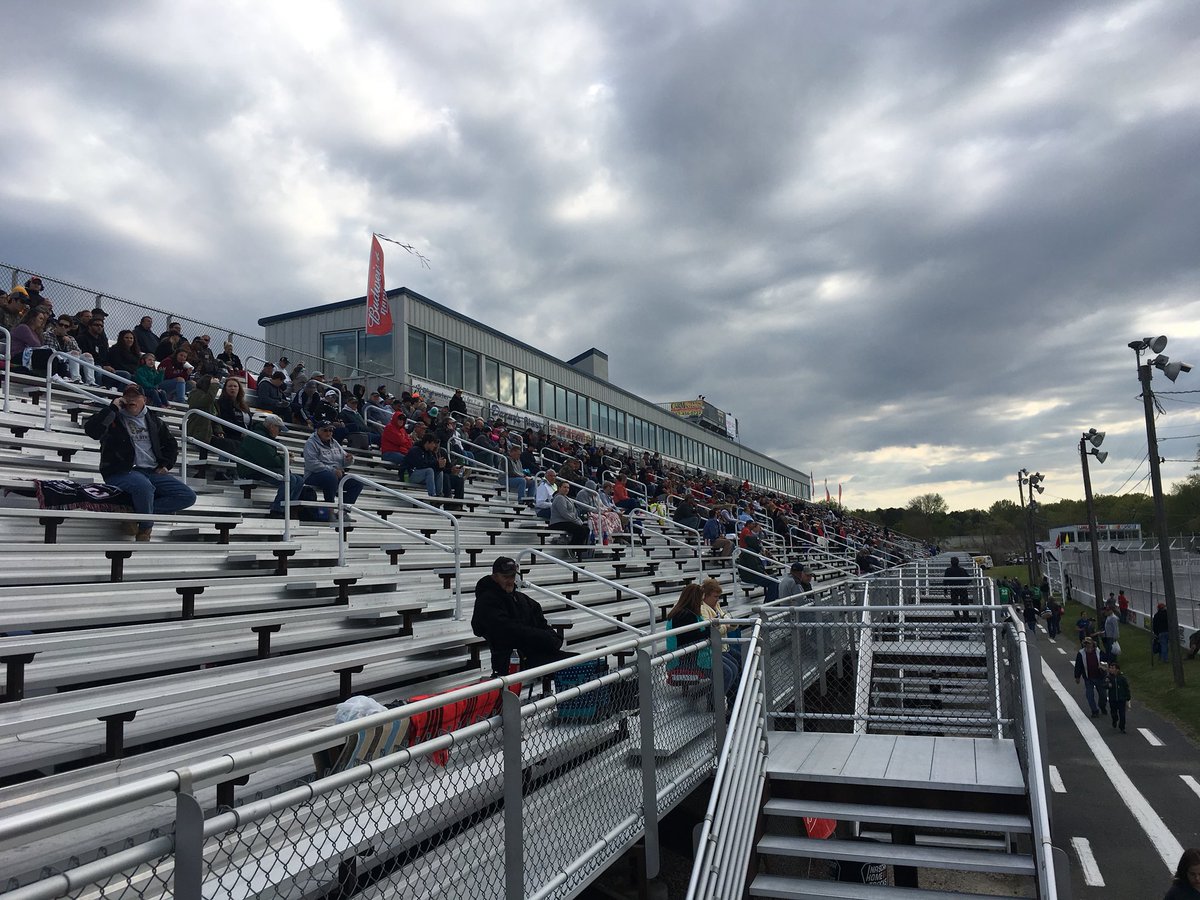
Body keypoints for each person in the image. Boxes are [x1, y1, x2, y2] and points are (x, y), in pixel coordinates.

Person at [83, 384, 197, 540]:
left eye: (135, 396)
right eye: (127, 396)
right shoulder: (114, 417)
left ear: (144, 400)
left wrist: (166, 464)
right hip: (121, 471)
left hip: (151, 471)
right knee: (144, 487)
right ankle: (145, 529)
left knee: (187, 496)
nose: (131, 399)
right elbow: (92, 431)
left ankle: (133, 514)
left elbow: (171, 444)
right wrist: (113, 409)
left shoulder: (154, 420)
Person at [471, 556, 573, 677]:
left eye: (512, 576)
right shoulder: (487, 601)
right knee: (578, 664)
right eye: (505, 577)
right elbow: (509, 631)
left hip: (534, 655)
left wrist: (552, 639)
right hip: (512, 660)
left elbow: (540, 625)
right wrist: (546, 638)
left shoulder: (523, 600)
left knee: (584, 662)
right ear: (495, 576)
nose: (510, 581)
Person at [667, 581, 738, 700]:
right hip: (689, 659)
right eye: (700, 598)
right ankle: (714, 703)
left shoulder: (687, 612)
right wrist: (711, 629)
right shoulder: (683, 615)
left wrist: (710, 629)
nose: (701, 602)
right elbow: (692, 636)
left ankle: (724, 701)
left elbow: (697, 634)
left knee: (733, 667)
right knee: (727, 672)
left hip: (699, 654)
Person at [237, 414, 304, 518]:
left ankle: (287, 507)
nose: (279, 432)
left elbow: (268, 457)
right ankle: (277, 509)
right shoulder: (258, 437)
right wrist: (286, 459)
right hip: (251, 469)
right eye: (279, 429)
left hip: (259, 466)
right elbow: (268, 460)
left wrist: (283, 457)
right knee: (289, 479)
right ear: (272, 426)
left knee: (299, 480)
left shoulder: (263, 436)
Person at [302, 420, 363, 512]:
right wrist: (332, 470)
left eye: (330, 430)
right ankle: (329, 508)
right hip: (313, 475)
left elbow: (343, 460)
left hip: (335, 474)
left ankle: (343, 511)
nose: (328, 433)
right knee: (331, 477)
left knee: (357, 482)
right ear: (317, 430)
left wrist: (350, 459)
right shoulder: (310, 443)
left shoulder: (334, 443)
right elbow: (312, 464)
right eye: (325, 430)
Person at [549, 479, 589, 556]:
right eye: (564, 487)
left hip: (567, 521)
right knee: (580, 529)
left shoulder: (567, 498)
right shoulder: (559, 498)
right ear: (559, 488)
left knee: (586, 529)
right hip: (558, 522)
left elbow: (574, 513)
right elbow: (564, 513)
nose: (566, 489)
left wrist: (578, 520)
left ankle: (578, 549)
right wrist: (576, 521)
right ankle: (573, 547)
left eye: (568, 488)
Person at [401, 432, 446, 497]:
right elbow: (420, 465)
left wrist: (440, 466)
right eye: (433, 443)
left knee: (440, 472)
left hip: (420, 475)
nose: (434, 446)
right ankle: (432, 495)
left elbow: (432, 464)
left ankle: (439, 495)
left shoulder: (429, 452)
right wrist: (436, 463)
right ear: (427, 443)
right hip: (408, 475)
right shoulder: (415, 450)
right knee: (429, 471)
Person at [1073, 637, 1109, 718]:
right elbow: (1078, 665)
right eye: (1085, 643)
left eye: (1089, 643)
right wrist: (1077, 676)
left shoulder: (1099, 651)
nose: (1087, 645)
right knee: (1089, 695)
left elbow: (1106, 661)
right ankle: (1094, 710)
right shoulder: (1081, 653)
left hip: (1100, 677)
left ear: (1093, 643)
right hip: (1088, 678)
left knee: (1103, 695)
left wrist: (1104, 668)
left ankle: (1102, 706)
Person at [1106, 661, 1131, 734]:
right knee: (1113, 712)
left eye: (1113, 668)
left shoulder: (1122, 678)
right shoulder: (1109, 678)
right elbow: (1104, 684)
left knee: (1122, 714)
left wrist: (1128, 697)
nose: (1111, 669)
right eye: (1110, 668)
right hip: (1113, 699)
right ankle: (1115, 719)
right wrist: (1108, 685)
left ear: (1117, 669)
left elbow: (1126, 688)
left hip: (1121, 699)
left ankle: (1122, 727)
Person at [942, 556, 970, 620]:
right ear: (958, 562)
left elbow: (945, 581)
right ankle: (966, 618)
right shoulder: (962, 570)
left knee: (954, 603)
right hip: (963, 588)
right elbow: (969, 579)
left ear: (951, 563)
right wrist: (965, 583)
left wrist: (945, 590)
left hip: (954, 589)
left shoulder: (948, 570)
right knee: (965, 603)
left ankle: (957, 618)